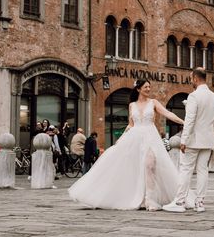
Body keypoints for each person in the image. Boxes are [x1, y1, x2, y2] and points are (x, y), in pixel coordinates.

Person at [70, 79, 184, 210]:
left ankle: (150, 199)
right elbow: (131, 124)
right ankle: (138, 197)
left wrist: (183, 122)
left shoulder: (153, 102)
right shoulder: (132, 105)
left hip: (150, 136)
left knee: (150, 165)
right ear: (138, 89)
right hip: (134, 136)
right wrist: (122, 137)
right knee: (134, 167)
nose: (148, 89)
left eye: (149, 87)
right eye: (146, 87)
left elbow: (168, 113)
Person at [164, 68, 214, 213]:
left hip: (193, 140)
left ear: (195, 78)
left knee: (186, 169)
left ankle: (180, 202)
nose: (191, 81)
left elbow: (189, 120)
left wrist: (183, 139)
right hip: (208, 139)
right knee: (203, 170)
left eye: (191, 78)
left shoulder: (194, 96)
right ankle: (200, 203)